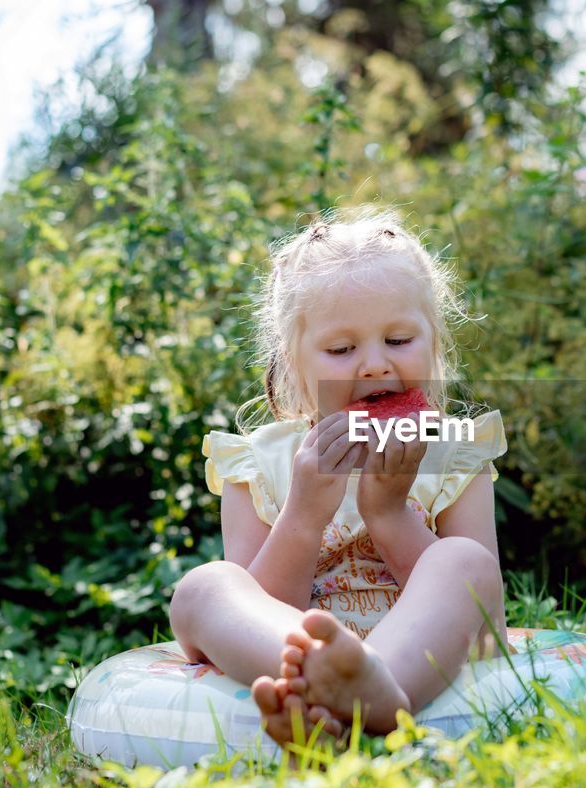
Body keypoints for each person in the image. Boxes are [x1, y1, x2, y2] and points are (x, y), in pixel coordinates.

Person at [168, 209, 507, 745]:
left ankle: (377, 689)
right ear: (293, 364)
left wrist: (389, 514)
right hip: (296, 640)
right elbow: (258, 604)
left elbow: (482, 609)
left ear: (436, 345)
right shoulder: (259, 464)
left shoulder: (456, 453)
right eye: (342, 350)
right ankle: (331, 686)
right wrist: (303, 515)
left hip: (418, 653)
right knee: (202, 588)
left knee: (463, 560)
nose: (374, 365)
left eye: (399, 341)